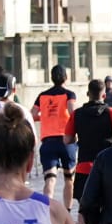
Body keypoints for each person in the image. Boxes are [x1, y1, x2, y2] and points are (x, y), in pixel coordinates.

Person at [68, 78, 112, 211]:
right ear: (104, 95)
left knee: (83, 208)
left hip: (83, 166)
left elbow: (67, 140)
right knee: (108, 206)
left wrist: (78, 138)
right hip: (107, 166)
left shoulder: (76, 114)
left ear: (88, 94)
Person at [30, 64, 78, 198]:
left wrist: (45, 116)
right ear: (66, 78)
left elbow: (32, 114)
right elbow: (72, 112)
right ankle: (67, 212)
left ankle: (47, 212)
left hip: (48, 142)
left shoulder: (42, 96)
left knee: (50, 179)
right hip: (66, 141)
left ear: (51, 78)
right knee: (69, 179)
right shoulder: (69, 94)